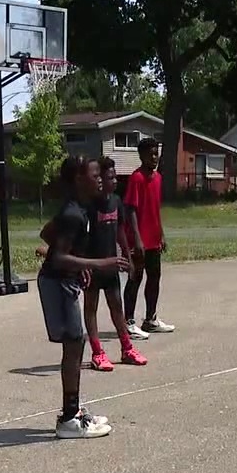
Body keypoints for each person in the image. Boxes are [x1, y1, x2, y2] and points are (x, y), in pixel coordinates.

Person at [38, 156, 129, 439]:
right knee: (74, 344)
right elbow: (59, 255)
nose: (100, 178)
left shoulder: (82, 209)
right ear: (79, 179)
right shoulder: (72, 214)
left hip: (66, 280)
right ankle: (68, 419)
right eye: (94, 174)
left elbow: (48, 234)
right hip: (56, 283)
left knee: (76, 344)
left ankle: (73, 412)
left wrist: (80, 267)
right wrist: (98, 263)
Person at [82, 157, 148, 370]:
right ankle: (97, 353)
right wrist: (84, 264)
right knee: (90, 308)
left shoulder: (116, 201)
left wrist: (128, 258)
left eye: (115, 176)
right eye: (110, 177)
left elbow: (120, 232)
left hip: (111, 265)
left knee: (117, 308)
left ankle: (127, 348)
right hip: (93, 266)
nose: (114, 180)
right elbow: (81, 236)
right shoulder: (89, 205)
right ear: (100, 178)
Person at [123, 137, 174, 337]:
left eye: (156, 153)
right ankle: (128, 322)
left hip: (153, 239)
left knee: (154, 277)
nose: (154, 157)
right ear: (142, 155)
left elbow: (155, 210)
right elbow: (130, 209)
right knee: (135, 278)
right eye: (151, 154)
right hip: (139, 240)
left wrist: (161, 234)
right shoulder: (136, 178)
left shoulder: (158, 178)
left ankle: (150, 319)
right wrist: (136, 238)